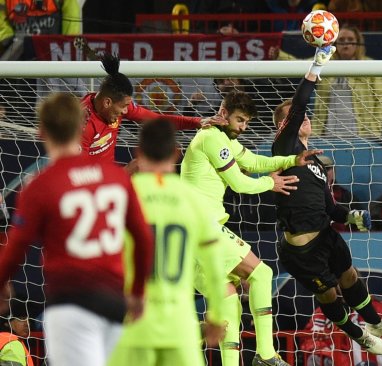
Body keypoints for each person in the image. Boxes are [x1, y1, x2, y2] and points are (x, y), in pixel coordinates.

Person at [271, 44, 382, 356]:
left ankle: (377, 323)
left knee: (349, 274)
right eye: (296, 117)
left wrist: (350, 215)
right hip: (301, 248)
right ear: (283, 125)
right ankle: (358, 334)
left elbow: (331, 208)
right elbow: (298, 104)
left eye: (306, 116)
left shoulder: (317, 162)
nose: (305, 117)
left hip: (325, 233)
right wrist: (316, 67)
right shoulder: (283, 150)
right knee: (329, 295)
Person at [0, 92, 154, 366]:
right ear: (80, 127)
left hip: (71, 303)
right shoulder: (116, 177)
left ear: (41, 131)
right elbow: (143, 239)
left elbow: (14, 250)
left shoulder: (40, 185)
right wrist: (138, 294)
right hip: (113, 302)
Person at [180, 90, 320, 366]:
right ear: (223, 113)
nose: (243, 127)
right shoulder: (211, 138)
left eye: (246, 122)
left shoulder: (224, 140)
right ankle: (266, 353)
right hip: (201, 227)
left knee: (229, 300)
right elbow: (240, 183)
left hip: (190, 233)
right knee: (261, 273)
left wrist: (291, 161)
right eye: (239, 120)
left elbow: (254, 162)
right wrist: (271, 183)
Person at [108, 119, 228, 366]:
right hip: (179, 328)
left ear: (138, 152)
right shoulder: (192, 200)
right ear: (176, 153)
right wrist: (216, 315)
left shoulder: (120, 198)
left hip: (133, 326)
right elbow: (215, 266)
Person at [81, 53, 220, 164]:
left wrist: (198, 121)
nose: (125, 111)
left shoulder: (116, 107)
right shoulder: (82, 123)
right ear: (107, 103)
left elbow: (159, 120)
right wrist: (124, 173)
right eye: (123, 107)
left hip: (108, 184)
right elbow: (75, 171)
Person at [270, 25, 382, 138]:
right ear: (335, 43)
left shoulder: (372, 67)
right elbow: (301, 65)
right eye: (342, 40)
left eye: (350, 39)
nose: (346, 44)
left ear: (358, 43)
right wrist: (280, 55)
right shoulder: (324, 62)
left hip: (362, 133)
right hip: (327, 134)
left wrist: (375, 130)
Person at [300, 294, 382, 365]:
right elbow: (309, 339)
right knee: (315, 358)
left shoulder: (376, 308)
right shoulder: (323, 311)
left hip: (369, 361)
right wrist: (329, 354)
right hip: (332, 359)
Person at [0, 0, 81, 60]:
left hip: (54, 54)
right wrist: (7, 42)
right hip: (18, 53)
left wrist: (68, 46)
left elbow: (71, 17)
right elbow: (2, 25)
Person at [0, 298, 33, 366]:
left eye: (28, 319)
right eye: (21, 318)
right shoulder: (12, 343)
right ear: (7, 322)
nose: (27, 324)